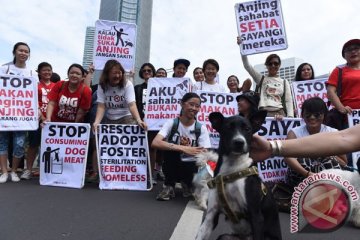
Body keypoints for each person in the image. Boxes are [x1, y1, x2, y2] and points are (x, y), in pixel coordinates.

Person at [152, 92, 211, 201]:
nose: (194, 108)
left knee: (197, 159)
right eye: (191, 104)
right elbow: (155, 142)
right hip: (172, 165)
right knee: (171, 152)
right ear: (182, 104)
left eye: (197, 106)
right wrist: (182, 148)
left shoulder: (201, 128)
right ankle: (169, 186)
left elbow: (205, 152)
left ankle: (188, 185)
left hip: (191, 167)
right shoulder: (171, 123)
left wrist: (191, 151)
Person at [284, 97, 347, 187]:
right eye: (308, 115)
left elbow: (344, 162)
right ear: (302, 115)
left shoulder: (333, 133)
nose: (312, 118)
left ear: (324, 115)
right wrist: (307, 174)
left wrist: (325, 153)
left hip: (328, 181)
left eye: (317, 115)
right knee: (302, 159)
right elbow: (287, 157)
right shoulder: (294, 133)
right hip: (301, 178)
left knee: (330, 159)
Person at [0, 42, 36, 183]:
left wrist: (36, 110)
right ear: (14, 52)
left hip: (23, 115)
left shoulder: (32, 73)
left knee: (20, 143)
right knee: (2, 142)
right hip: (5, 113)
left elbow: (33, 96)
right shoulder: (3, 69)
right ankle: (4, 171)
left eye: (26, 51)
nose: (23, 53)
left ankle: (14, 171)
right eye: (20, 50)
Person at [237, 37, 294, 118]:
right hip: (263, 113)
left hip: (279, 113)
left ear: (279, 65)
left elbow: (288, 100)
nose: (273, 65)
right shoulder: (261, 79)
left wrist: (290, 117)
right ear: (266, 65)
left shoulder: (284, 82)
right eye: (270, 63)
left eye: (276, 63)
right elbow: (247, 66)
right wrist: (242, 46)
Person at [22, 62, 56, 180]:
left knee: (50, 146)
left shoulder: (56, 86)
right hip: (36, 120)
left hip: (51, 121)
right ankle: (28, 170)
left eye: (49, 70)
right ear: (39, 72)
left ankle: (46, 170)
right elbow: (31, 101)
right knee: (33, 145)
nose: (47, 72)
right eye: (44, 70)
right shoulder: (35, 85)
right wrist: (41, 116)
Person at [93, 59, 146, 129]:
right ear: (107, 74)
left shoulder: (127, 84)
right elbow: (101, 106)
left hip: (127, 118)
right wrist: (97, 122)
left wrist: (139, 120)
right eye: (114, 73)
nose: (117, 76)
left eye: (119, 73)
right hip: (109, 119)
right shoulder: (102, 85)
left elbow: (132, 104)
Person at [326, 39, 360, 118]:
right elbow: (330, 91)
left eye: (356, 48)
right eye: (349, 50)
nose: (353, 52)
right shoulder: (338, 70)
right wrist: (341, 108)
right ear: (344, 56)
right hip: (349, 116)